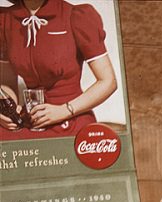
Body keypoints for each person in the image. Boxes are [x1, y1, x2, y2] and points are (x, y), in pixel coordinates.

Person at [0, 0, 118, 139]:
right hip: (30, 120)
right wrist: (8, 112)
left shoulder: (75, 16)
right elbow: (7, 82)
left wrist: (64, 110)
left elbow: (108, 81)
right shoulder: (6, 19)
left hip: (72, 118)